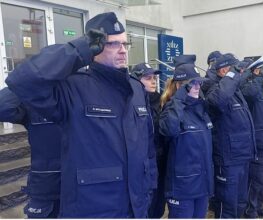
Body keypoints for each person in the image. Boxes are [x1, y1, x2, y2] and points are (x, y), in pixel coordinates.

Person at [6, 12, 154, 218]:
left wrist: (148, 189)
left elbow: (147, 147)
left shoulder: (136, 89)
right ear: (94, 47)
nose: (122, 51)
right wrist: (78, 49)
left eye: (125, 44)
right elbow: (22, 81)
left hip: (136, 206)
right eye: (112, 44)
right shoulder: (72, 87)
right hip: (93, 207)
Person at [159, 56, 213, 218]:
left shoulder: (200, 109)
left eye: (199, 83)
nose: (197, 87)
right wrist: (180, 98)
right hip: (183, 188)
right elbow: (169, 129)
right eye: (191, 83)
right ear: (179, 86)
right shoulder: (171, 109)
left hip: (202, 185)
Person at [204, 53, 256, 218]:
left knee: (240, 202)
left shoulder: (235, 91)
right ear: (224, 71)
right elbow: (219, 100)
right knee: (227, 206)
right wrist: (234, 74)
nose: (239, 73)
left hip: (242, 157)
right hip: (228, 160)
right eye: (234, 69)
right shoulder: (214, 89)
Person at [0, 88, 61, 218]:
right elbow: (3, 108)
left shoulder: (84, 91)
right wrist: (29, 78)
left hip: (80, 188)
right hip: (45, 190)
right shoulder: (35, 99)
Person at [240, 56, 263, 218]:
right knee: (256, 178)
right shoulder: (250, 87)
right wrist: (258, 77)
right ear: (257, 71)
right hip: (259, 143)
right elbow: (250, 93)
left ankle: (259, 205)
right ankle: (251, 209)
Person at [131, 63, 166, 218]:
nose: (153, 81)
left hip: (160, 161)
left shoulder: (161, 101)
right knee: (147, 206)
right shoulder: (131, 103)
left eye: (154, 78)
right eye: (148, 78)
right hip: (143, 165)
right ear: (137, 81)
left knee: (159, 205)